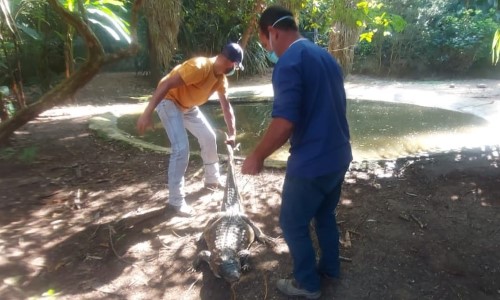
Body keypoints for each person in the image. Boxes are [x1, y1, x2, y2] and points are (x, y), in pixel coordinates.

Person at [241, 6, 352, 299]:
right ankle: (330, 269)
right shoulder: (325, 57)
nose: (268, 50)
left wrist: (257, 156)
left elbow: (284, 122)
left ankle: (307, 285)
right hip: (339, 154)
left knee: (292, 222)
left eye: (265, 43)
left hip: (312, 161)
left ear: (273, 32)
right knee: (325, 214)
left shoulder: (289, 61)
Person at [137, 43, 244, 217]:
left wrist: (232, 133)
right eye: (235, 66)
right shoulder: (200, 66)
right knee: (181, 149)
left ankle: (212, 179)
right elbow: (165, 84)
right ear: (231, 62)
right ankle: (176, 202)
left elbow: (226, 107)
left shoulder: (220, 80)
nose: (234, 70)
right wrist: (147, 113)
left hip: (188, 106)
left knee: (209, 137)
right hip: (169, 102)